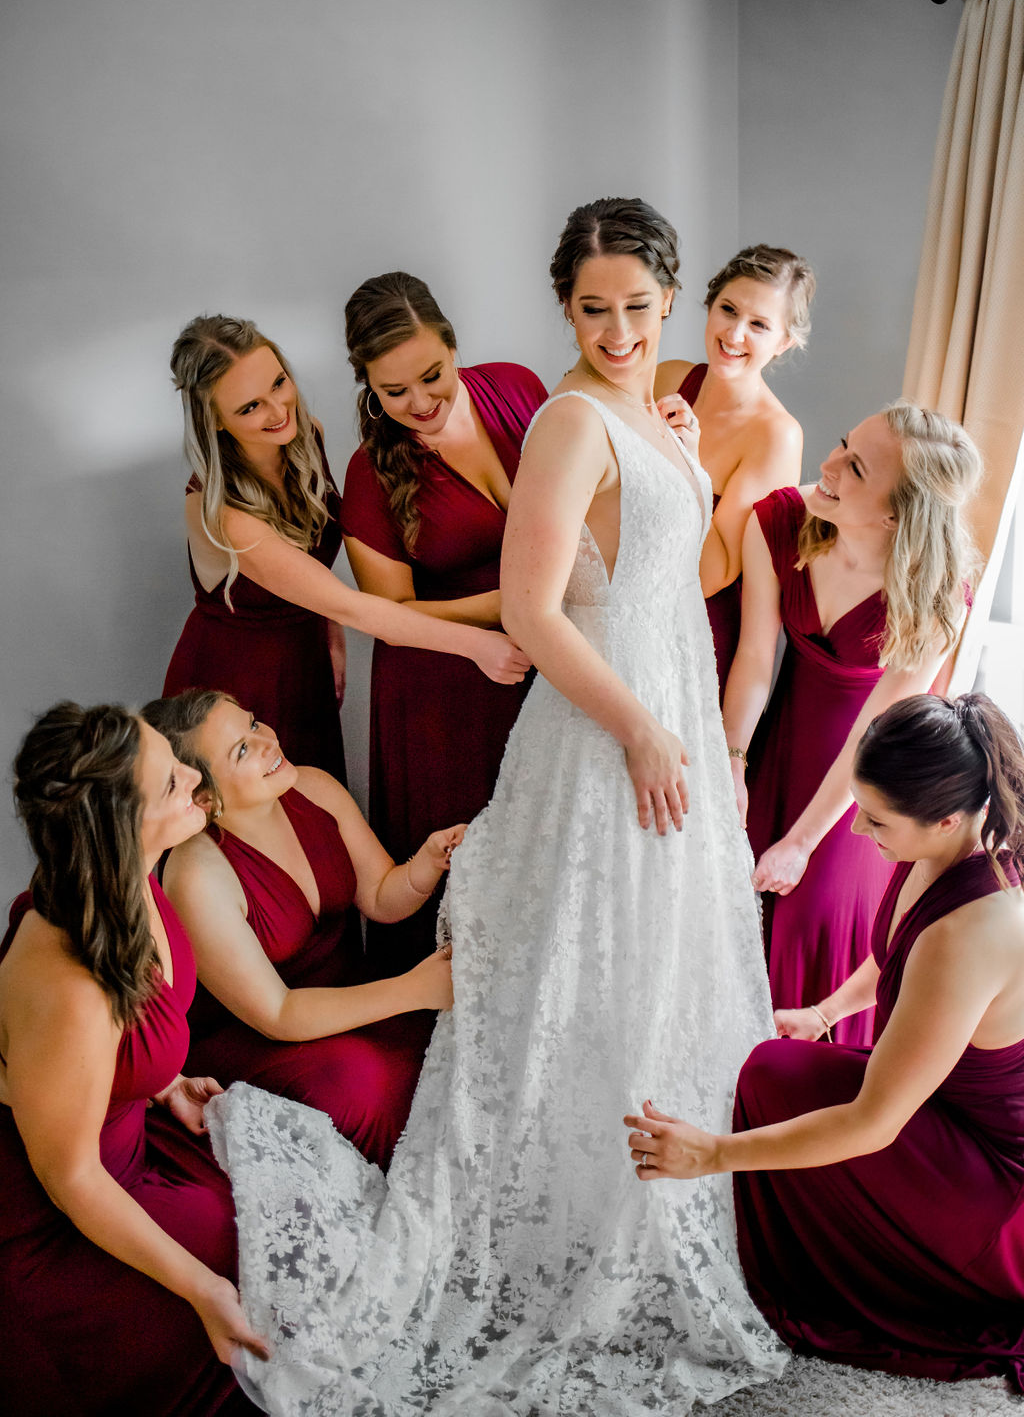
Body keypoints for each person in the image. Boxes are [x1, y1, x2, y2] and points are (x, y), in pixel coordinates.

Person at [208, 198, 787, 1415]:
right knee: (576, 970)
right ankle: (569, 1212)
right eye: (593, 308)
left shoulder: (624, 404)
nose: (620, 327)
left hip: (641, 688)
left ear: (668, 302)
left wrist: (676, 439)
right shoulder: (560, 420)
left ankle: (665, 1187)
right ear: (561, 307)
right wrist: (636, 727)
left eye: (638, 306)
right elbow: (520, 608)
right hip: (589, 709)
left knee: (649, 968)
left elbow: (682, 571)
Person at [625, 692, 1024, 1390]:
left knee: (777, 1085)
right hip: (949, 1118)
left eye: (876, 820)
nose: (861, 832)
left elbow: (872, 1124)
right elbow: (898, 952)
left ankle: (857, 1279)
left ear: (947, 817)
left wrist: (713, 1155)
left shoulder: (975, 931)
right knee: (773, 1071)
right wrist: (826, 1011)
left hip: (996, 1196)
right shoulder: (942, 846)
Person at [0, 701, 268, 1416]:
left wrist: (162, 1085)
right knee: (234, 1282)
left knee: (265, 1219)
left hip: (127, 1140)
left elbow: (124, 1033)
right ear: (119, 830)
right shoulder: (67, 987)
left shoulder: (129, 880)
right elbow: (71, 1175)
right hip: (53, 1212)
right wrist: (201, 1291)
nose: (194, 777)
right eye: (174, 783)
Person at [162, 315, 530, 783]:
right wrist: (479, 642)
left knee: (318, 813)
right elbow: (353, 605)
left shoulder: (302, 436)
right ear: (214, 419)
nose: (278, 410)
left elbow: (309, 573)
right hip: (235, 682)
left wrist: (327, 633)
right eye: (251, 406)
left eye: (279, 383)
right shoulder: (225, 514)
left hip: (306, 662)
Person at [722, 404, 980, 1043]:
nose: (829, 464)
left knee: (811, 927)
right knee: (731, 913)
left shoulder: (938, 592)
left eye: (856, 467)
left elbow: (878, 728)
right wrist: (732, 761)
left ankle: (788, 1100)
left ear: (897, 513)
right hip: (774, 735)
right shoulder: (780, 520)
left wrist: (803, 842)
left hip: (860, 785)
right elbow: (757, 656)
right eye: (842, 444)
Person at [145, 689, 461, 1169]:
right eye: (243, 750)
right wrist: (413, 989)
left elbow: (379, 894)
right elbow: (279, 1012)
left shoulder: (313, 787)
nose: (268, 741)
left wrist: (427, 864)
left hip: (354, 998)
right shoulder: (195, 873)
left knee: (455, 1044)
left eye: (252, 724)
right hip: (267, 1035)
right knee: (361, 1087)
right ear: (203, 794)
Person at [339, 274, 546, 970]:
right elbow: (390, 615)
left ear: (454, 344)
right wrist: (510, 603)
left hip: (540, 660)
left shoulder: (517, 388)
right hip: (442, 690)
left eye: (433, 375)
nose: (421, 403)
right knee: (469, 862)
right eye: (395, 392)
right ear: (368, 384)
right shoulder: (370, 474)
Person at [655, 245, 810, 692]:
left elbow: (711, 574)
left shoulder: (776, 436)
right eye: (728, 309)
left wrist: (682, 465)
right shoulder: (669, 377)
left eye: (759, 325)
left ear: (783, 342)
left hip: (690, 629)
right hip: (615, 595)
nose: (735, 333)